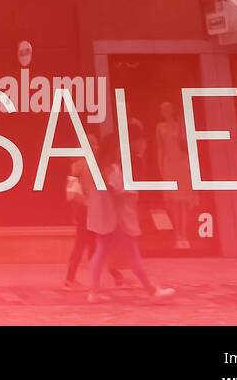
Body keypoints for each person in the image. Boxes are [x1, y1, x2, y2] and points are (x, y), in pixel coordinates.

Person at [88, 134, 175, 303]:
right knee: (133, 254)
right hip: (119, 219)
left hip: (106, 219)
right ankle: (151, 290)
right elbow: (119, 191)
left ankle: (94, 292)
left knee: (100, 252)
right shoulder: (111, 169)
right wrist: (132, 193)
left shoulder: (99, 169)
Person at [63, 130, 125, 290]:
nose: (97, 147)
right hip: (87, 209)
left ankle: (103, 278)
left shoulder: (79, 165)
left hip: (85, 209)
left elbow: (72, 193)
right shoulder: (86, 165)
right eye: (95, 144)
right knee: (93, 244)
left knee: (91, 244)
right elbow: (73, 192)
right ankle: (111, 276)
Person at [155, 101, 195, 250]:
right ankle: (177, 234)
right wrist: (161, 167)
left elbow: (187, 143)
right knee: (173, 201)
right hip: (169, 164)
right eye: (163, 109)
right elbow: (160, 147)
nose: (165, 111)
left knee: (183, 201)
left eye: (168, 108)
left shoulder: (179, 126)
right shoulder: (160, 127)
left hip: (181, 163)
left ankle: (184, 234)